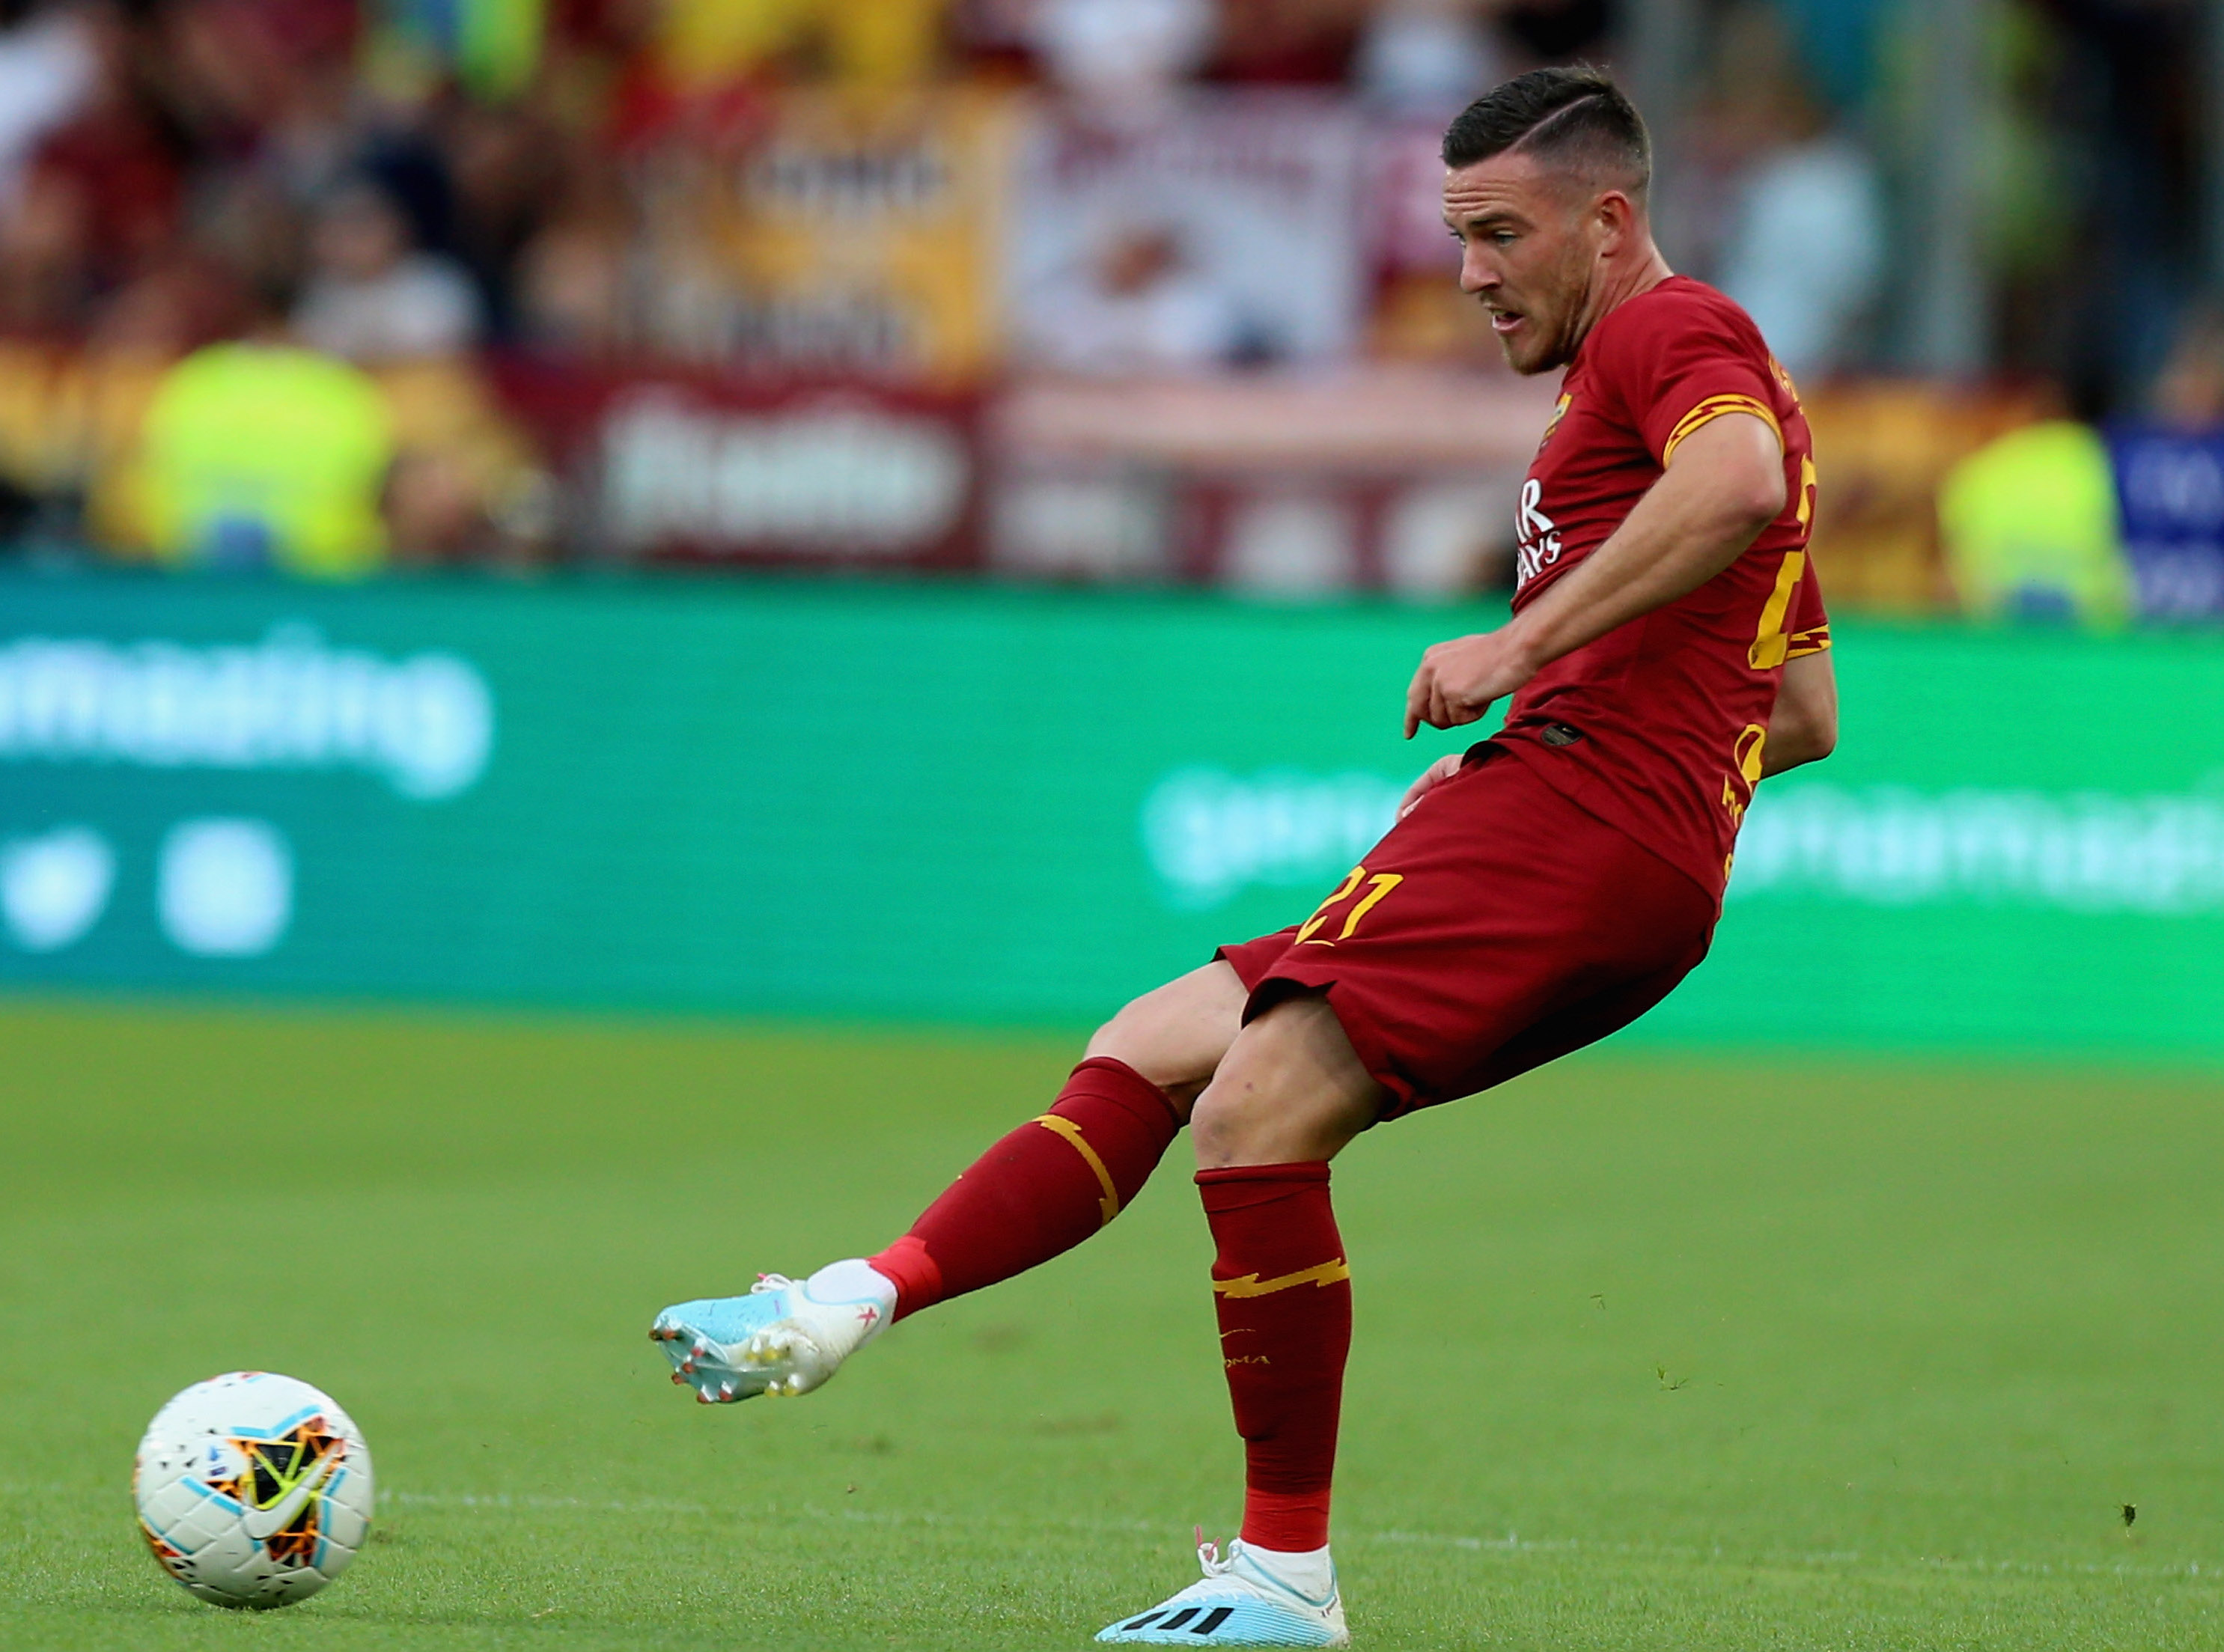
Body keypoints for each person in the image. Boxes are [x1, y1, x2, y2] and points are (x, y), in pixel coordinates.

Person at [649, 66, 1839, 1648]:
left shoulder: (1662, 333)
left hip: (1574, 809)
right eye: (1452, 234)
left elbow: (1735, 483)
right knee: (1153, 1045)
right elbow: (1805, 708)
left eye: (1499, 233)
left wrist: (1525, 648)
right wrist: (1666, 767)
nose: (1469, 271)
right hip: (1606, 825)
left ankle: (1284, 1579)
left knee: (1257, 1114)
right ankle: (842, 1303)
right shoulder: (1662, 383)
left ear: (1609, 223)